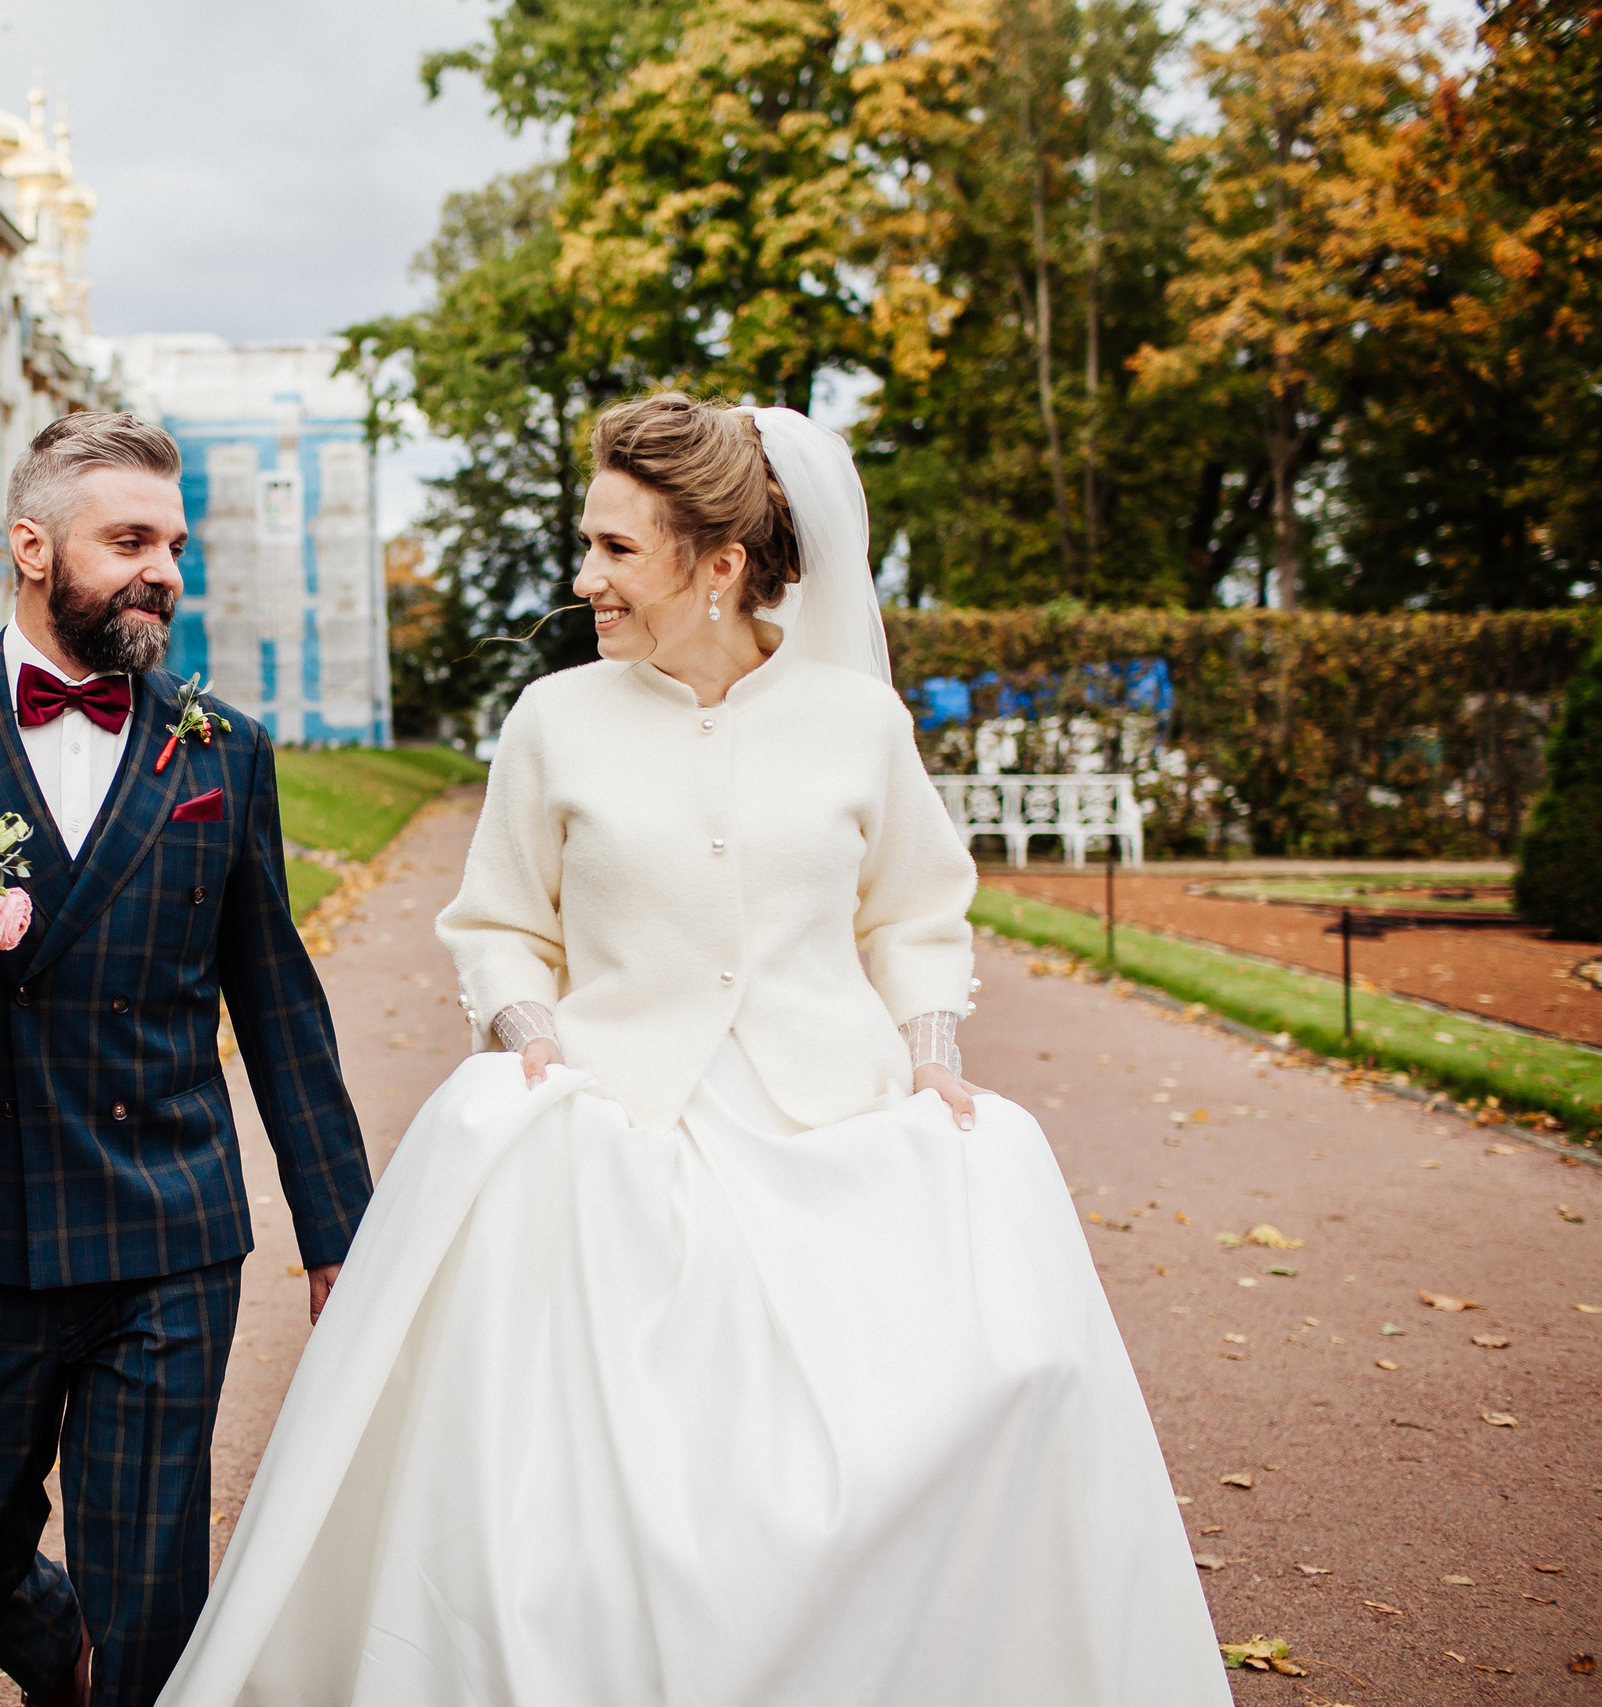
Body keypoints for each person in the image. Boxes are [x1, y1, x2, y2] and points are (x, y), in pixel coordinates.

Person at [157, 397, 1228, 1706]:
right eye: (588, 543)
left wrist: (933, 1053)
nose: (584, 577)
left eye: (616, 549)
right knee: (596, 1498)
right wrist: (532, 1044)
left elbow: (913, 916)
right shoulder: (553, 720)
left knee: (994, 1370)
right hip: (611, 1134)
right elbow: (500, 927)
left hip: (837, 1131)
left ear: (720, 564)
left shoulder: (858, 723)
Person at [0, 411, 374, 1707]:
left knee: (149, 1592)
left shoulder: (223, 752)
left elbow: (280, 1007)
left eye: (175, 546)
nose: (164, 572)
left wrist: (343, 1238)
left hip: (166, 1229)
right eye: (131, 541)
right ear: (32, 546)